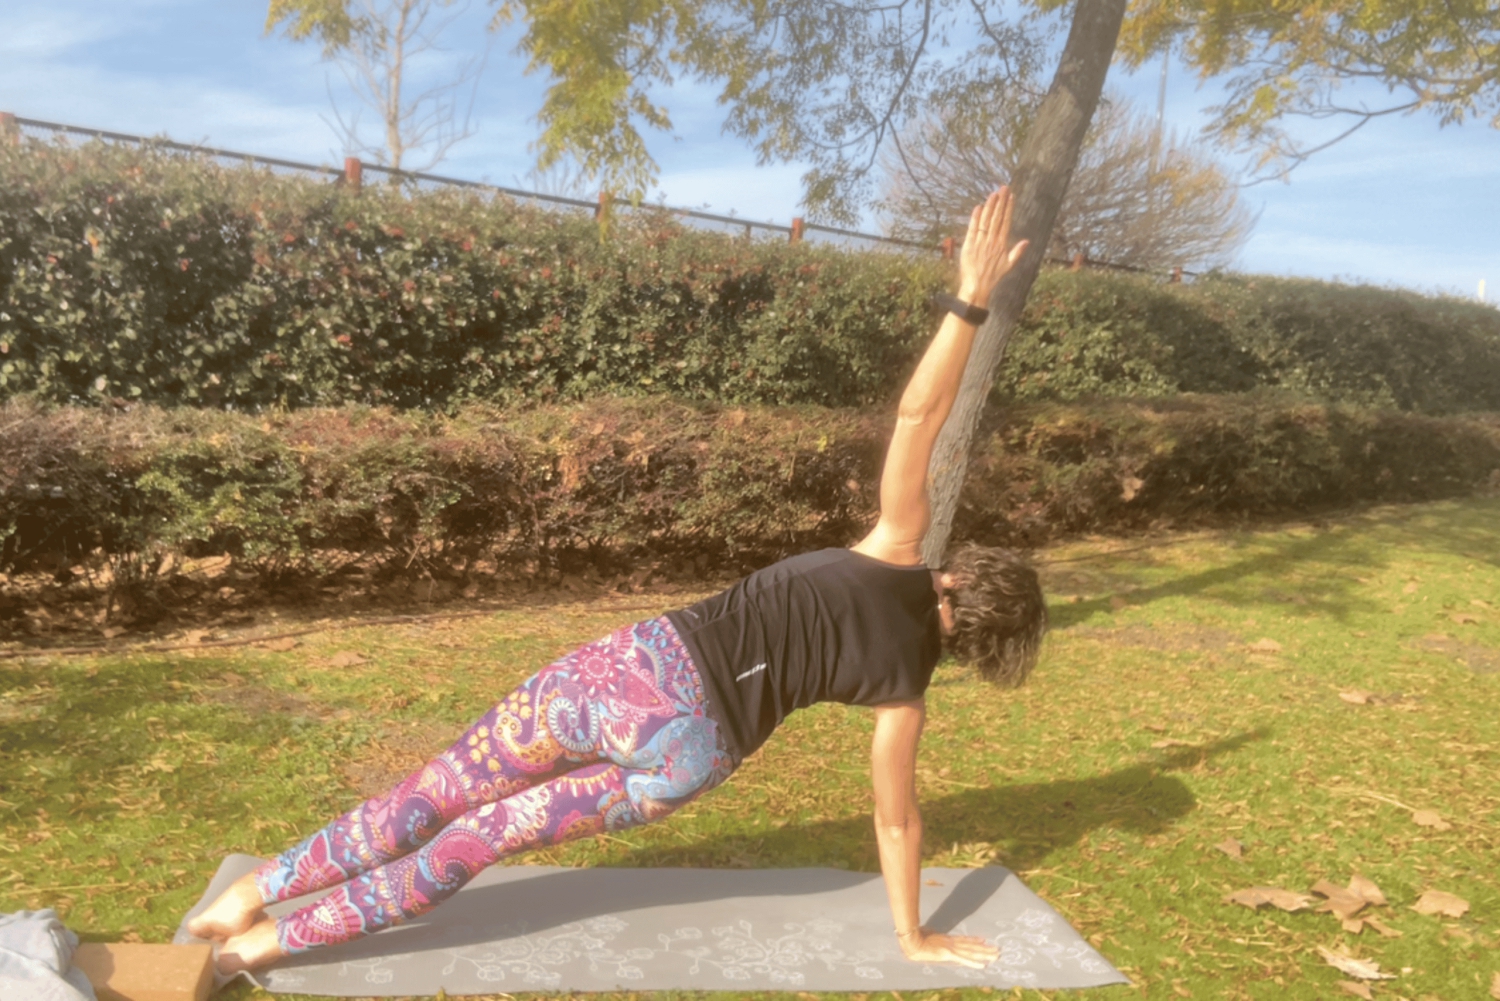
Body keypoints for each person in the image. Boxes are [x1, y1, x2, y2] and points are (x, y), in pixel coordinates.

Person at [187, 187, 1048, 974]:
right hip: (695, 755)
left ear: (963, 572)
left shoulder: (898, 545)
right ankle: (258, 947)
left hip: (633, 676)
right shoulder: (907, 691)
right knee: (480, 838)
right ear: (978, 640)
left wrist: (970, 299)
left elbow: (918, 414)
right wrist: (912, 935)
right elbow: (897, 820)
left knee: (437, 793)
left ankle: (251, 894)